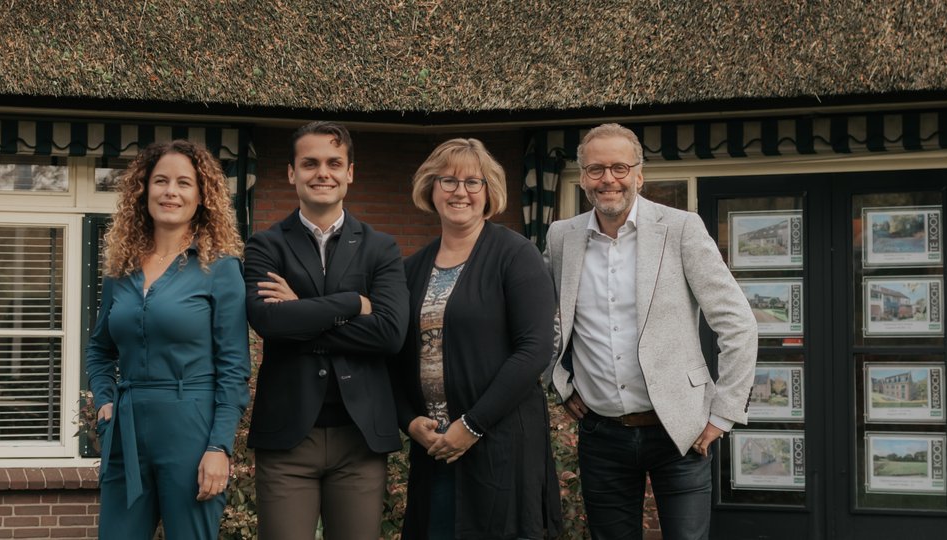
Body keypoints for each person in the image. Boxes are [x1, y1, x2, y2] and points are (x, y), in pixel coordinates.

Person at [544, 123, 759, 540]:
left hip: (680, 431)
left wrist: (723, 414)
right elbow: (545, 321)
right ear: (583, 176)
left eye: (620, 167)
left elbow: (738, 322)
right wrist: (561, 384)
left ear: (639, 175)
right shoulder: (560, 238)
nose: (608, 178)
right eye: (596, 169)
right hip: (600, 433)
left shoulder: (681, 228)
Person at [242, 122, 409, 540]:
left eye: (334, 163)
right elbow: (269, 322)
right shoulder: (265, 246)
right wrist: (353, 303)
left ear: (350, 172)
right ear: (291, 173)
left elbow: (390, 333)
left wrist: (300, 311)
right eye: (310, 163)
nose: (323, 172)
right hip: (287, 438)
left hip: (360, 437)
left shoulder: (381, 247)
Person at [392, 138, 559, 540]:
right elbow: (391, 357)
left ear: (489, 192)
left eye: (473, 182)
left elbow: (535, 348)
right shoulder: (410, 268)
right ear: (431, 189)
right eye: (447, 180)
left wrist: (472, 424)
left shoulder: (516, 255)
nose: (459, 191)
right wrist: (409, 421)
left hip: (500, 444)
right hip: (435, 448)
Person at [83, 140, 251, 540]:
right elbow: (99, 349)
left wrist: (219, 448)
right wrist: (105, 400)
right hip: (125, 429)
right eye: (160, 181)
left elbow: (234, 368)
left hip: (190, 426)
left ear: (201, 196)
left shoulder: (221, 269)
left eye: (183, 183)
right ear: (143, 191)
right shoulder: (120, 271)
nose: (170, 191)